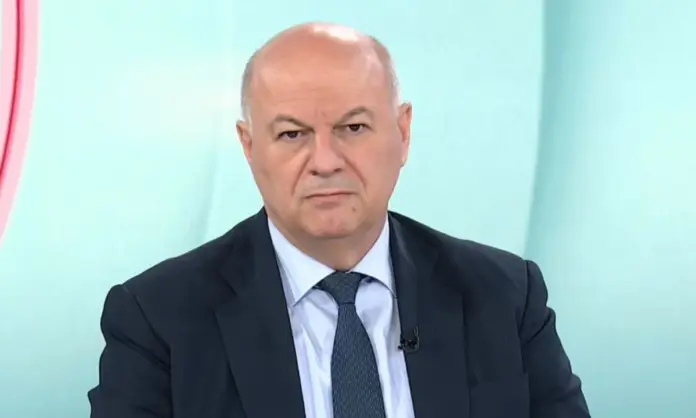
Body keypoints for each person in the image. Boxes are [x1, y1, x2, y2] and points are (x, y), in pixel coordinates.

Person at [88, 22, 590, 418]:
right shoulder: (158, 319)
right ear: (248, 146)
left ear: (403, 133)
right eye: (292, 134)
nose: (325, 161)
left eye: (353, 127)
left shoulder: (504, 296)